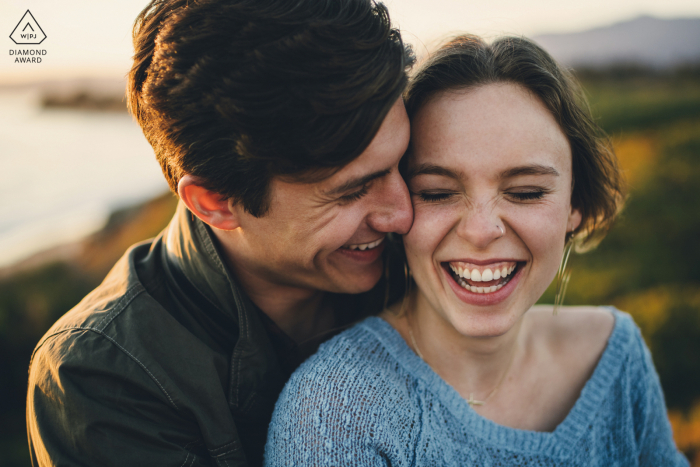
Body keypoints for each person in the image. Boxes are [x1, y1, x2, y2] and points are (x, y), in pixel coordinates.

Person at [264, 35, 690, 466]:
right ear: (397, 207)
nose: (482, 230)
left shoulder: (615, 355)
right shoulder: (334, 415)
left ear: (574, 206)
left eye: (525, 192)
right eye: (436, 193)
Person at [26, 0, 415, 465]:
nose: (402, 215)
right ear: (215, 202)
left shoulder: (423, 263)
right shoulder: (103, 380)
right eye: (351, 192)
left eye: (405, 166)